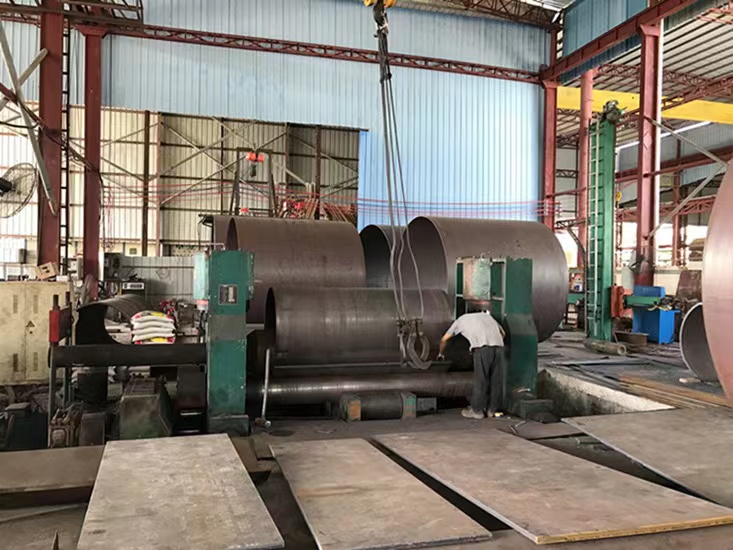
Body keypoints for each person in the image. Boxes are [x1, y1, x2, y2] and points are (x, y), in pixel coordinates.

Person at [438, 311, 505, 419]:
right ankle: (492, 410)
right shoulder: (487, 316)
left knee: (481, 380)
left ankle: (477, 411)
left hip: (482, 349)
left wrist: (440, 353)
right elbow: (503, 333)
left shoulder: (460, 320)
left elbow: (444, 339)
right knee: (496, 380)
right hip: (499, 348)